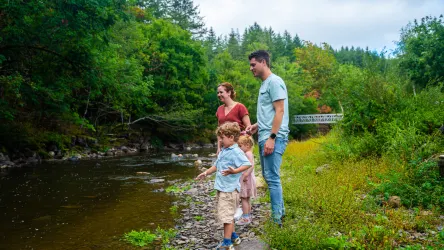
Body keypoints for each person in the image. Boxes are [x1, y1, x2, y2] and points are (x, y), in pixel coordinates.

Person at [245, 50, 289, 226]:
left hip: (274, 137)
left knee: (271, 177)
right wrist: (256, 125)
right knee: (268, 175)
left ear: (263, 62)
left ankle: (277, 219)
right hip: (264, 135)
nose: (251, 68)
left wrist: (272, 137)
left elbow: (280, 111)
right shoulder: (264, 84)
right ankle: (281, 213)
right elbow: (270, 113)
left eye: (253, 64)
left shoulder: (274, 82)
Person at [195, 122, 252, 250]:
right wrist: (206, 172)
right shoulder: (224, 151)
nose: (220, 140)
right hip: (222, 188)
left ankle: (227, 243)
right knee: (228, 214)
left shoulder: (236, 151)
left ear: (231, 137)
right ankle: (233, 237)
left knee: (226, 217)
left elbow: (247, 164)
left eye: (222, 138)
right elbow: (217, 165)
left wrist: (234, 171)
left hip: (230, 190)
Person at [216, 82, 251, 155]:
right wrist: (219, 148)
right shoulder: (219, 109)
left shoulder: (240, 107)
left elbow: (249, 128)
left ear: (229, 92)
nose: (219, 95)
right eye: (218, 93)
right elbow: (219, 131)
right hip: (224, 148)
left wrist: (245, 147)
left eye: (221, 92)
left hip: (238, 146)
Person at [236, 135, 257, 226]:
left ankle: (245, 218)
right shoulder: (249, 153)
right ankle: (248, 215)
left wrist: (245, 174)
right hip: (248, 178)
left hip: (246, 179)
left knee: (243, 198)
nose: (239, 148)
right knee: (247, 198)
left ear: (247, 145)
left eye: (240, 146)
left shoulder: (247, 154)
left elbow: (251, 165)